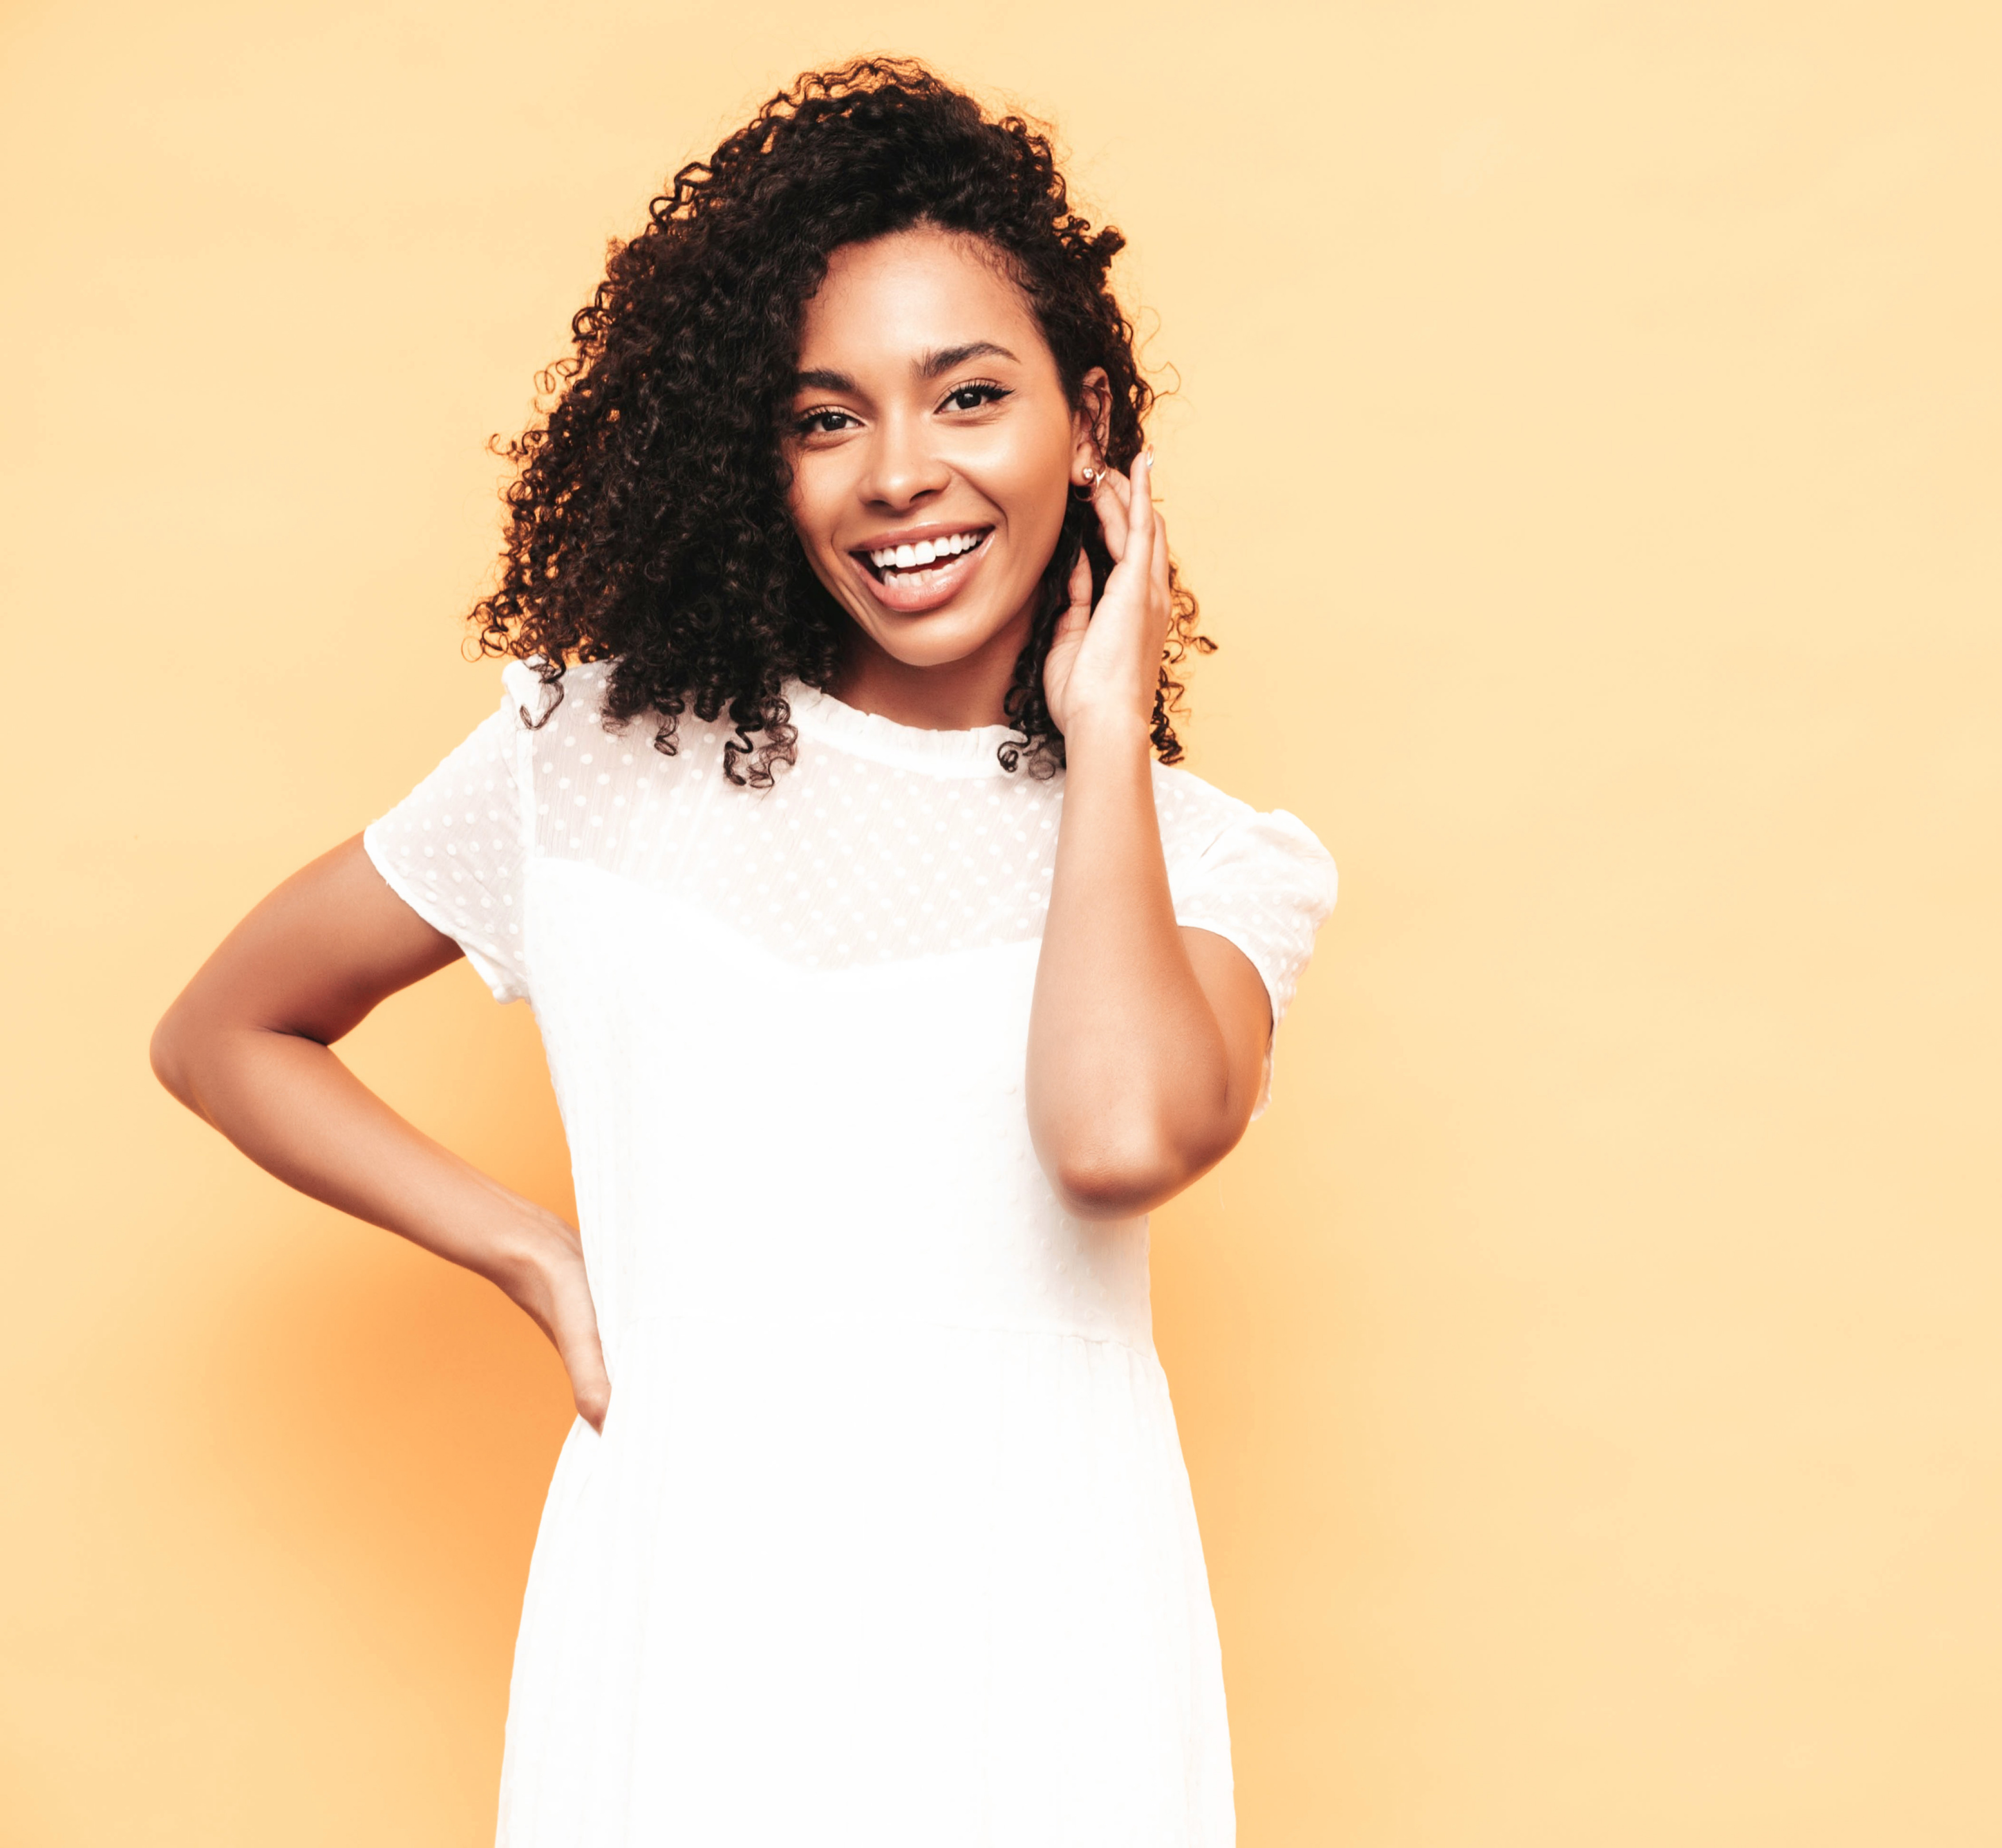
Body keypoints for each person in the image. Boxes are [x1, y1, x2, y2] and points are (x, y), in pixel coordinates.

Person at [149, 59, 1335, 1846]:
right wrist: (532, 1250)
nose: (903, 473)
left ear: (1090, 421)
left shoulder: (1215, 865)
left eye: (972, 395)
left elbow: (1112, 1135)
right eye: (825, 416)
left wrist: (1103, 740)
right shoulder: (591, 756)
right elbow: (227, 1029)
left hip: (1041, 1665)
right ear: (758, 452)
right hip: (682, 1635)